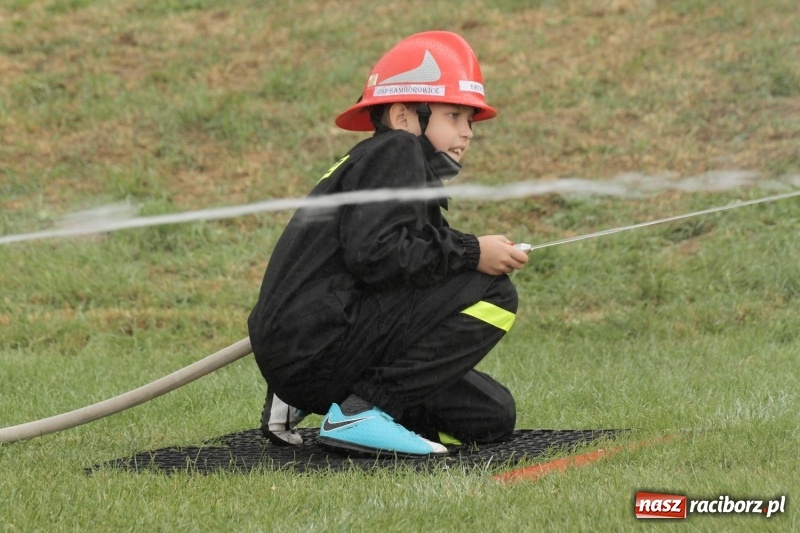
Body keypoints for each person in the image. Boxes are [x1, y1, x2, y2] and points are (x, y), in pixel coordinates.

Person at [248, 31, 528, 457]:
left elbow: (387, 257)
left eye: (470, 121)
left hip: (307, 352)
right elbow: (376, 254)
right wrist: (473, 253)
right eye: (453, 116)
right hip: (317, 347)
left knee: (490, 415)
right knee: (494, 292)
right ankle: (362, 411)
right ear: (403, 116)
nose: (467, 133)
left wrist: (468, 251)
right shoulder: (395, 151)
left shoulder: (383, 164)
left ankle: (310, 402)